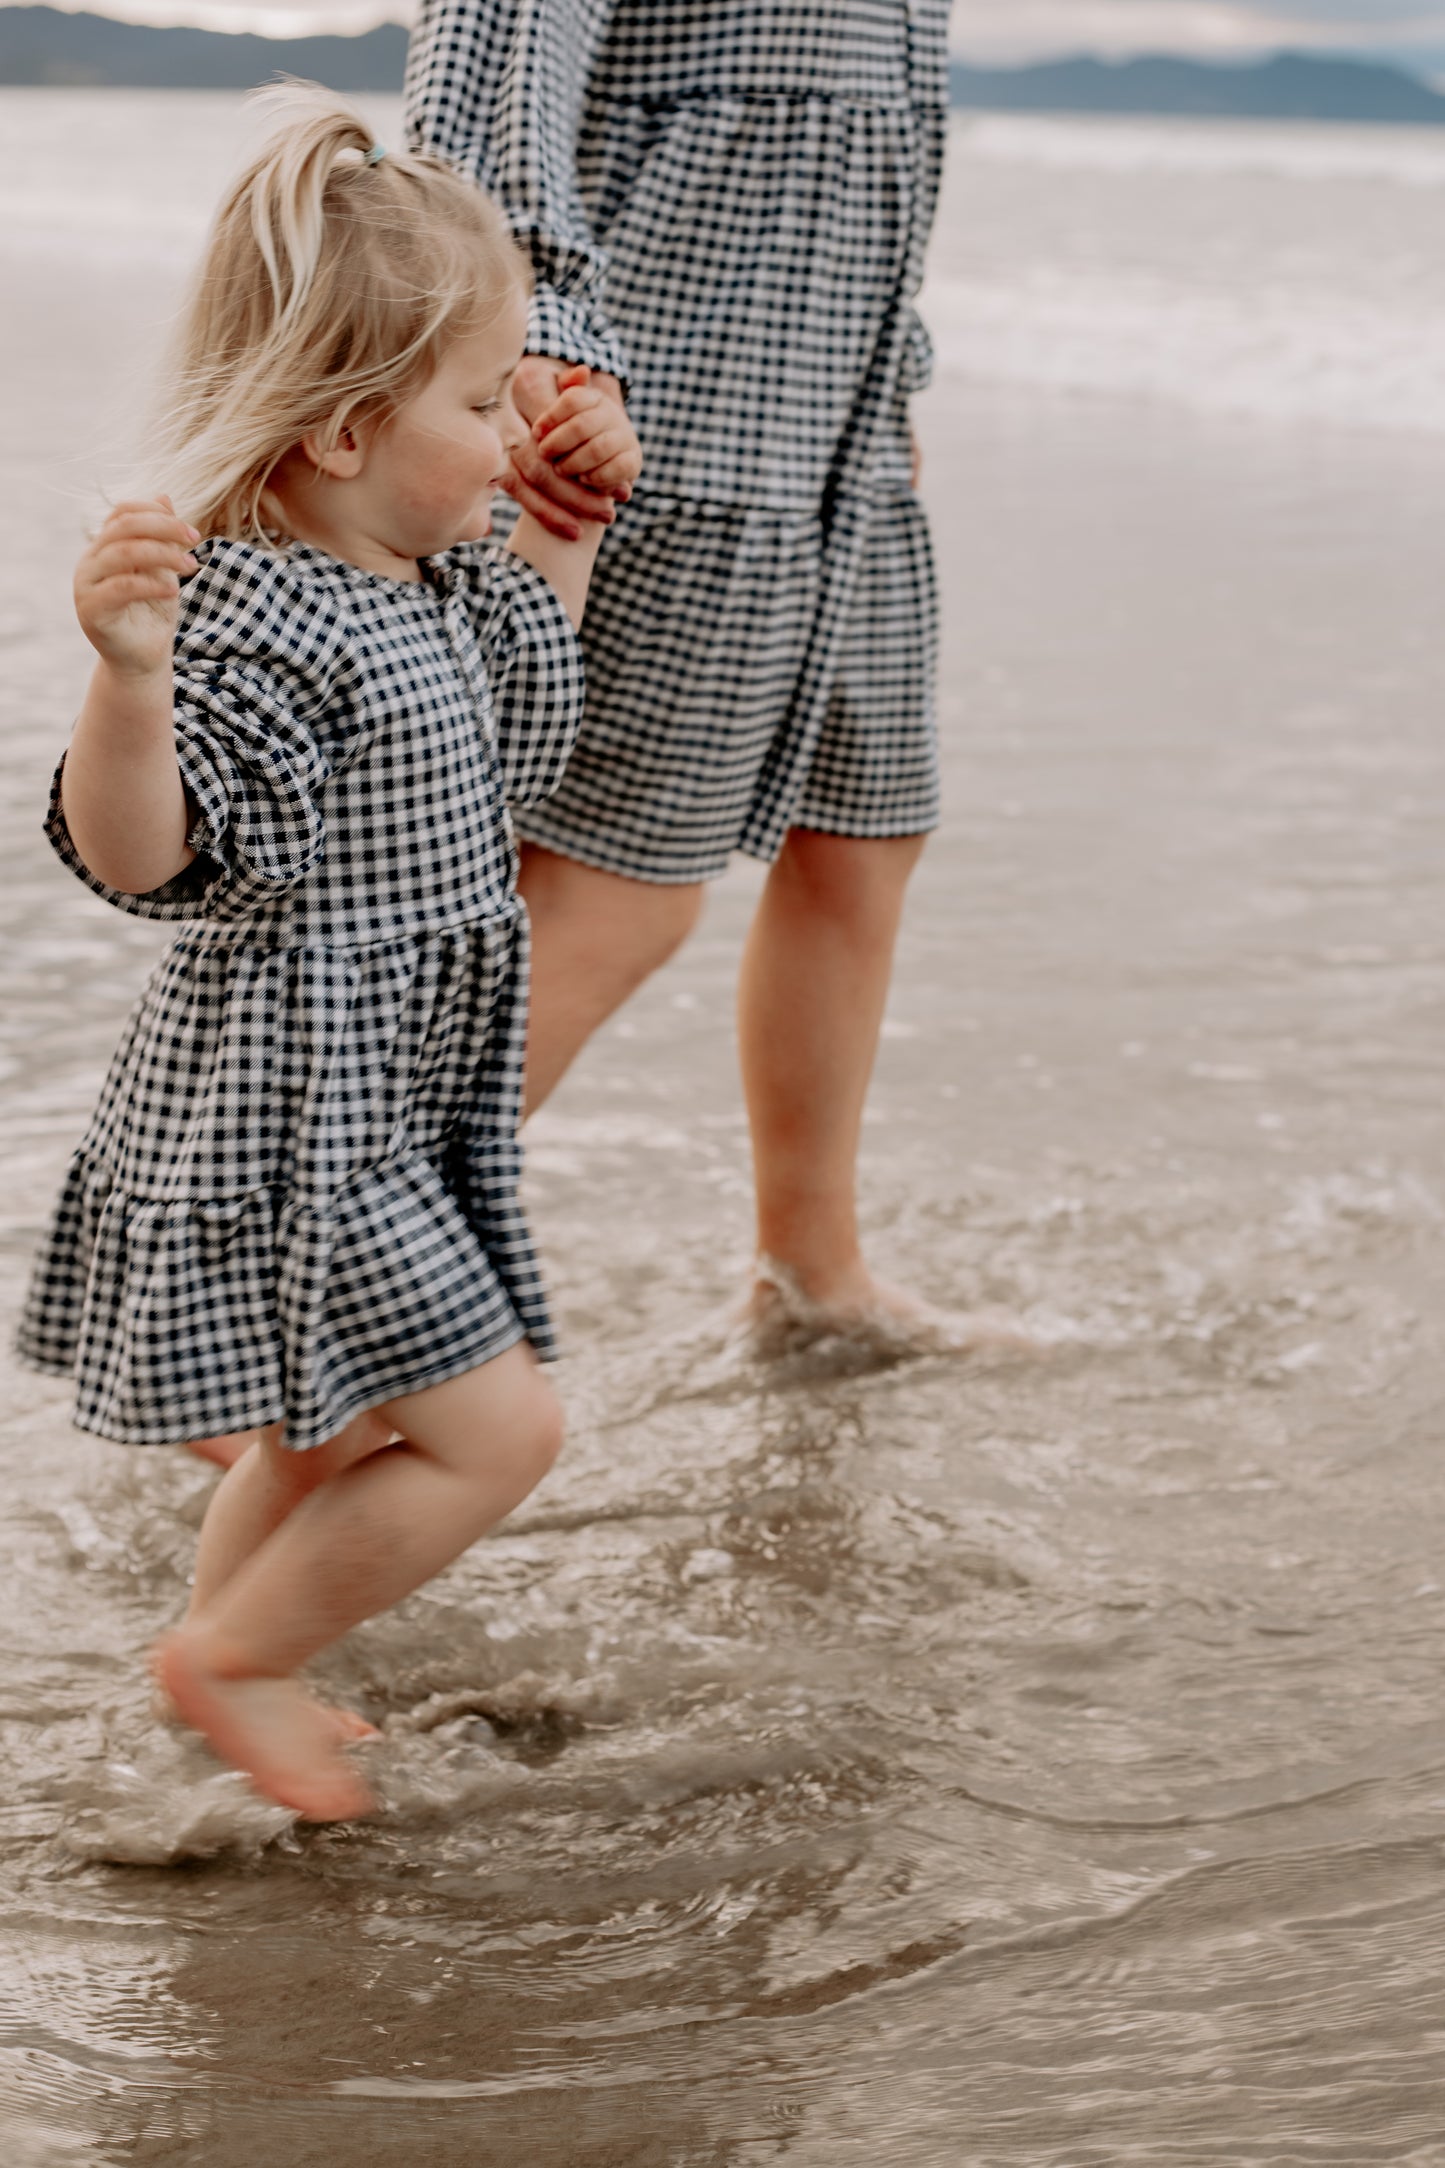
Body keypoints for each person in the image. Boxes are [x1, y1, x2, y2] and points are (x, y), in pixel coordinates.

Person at [14, 89, 641, 1822]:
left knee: (326, 1428)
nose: (516, 420)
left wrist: (563, 543)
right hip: (307, 1121)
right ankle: (236, 1660)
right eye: (477, 396)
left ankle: (218, 1646)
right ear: (349, 433)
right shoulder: (261, 606)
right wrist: (126, 675)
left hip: (384, 1110)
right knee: (500, 1431)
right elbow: (148, 860)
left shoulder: (427, 578)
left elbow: (516, 745)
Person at [405, 0, 953, 1343]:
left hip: (842, 443)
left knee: (860, 841)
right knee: (619, 885)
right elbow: (489, 60)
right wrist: (538, 336)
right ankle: (291, 1307)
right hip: (659, 428)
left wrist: (885, 382)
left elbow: (861, 137)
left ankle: (808, 1280)